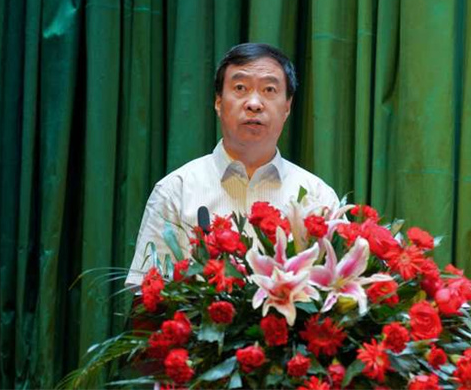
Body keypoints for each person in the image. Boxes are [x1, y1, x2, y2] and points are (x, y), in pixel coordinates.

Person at [126, 43, 339, 286]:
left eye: (269, 90)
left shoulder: (317, 197)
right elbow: (146, 295)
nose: (254, 103)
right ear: (218, 102)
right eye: (240, 88)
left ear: (287, 107)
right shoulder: (176, 191)